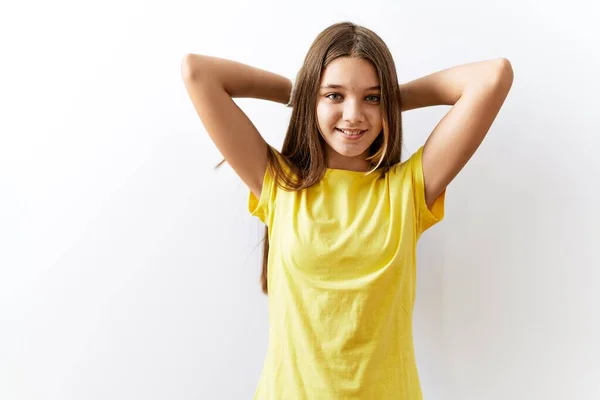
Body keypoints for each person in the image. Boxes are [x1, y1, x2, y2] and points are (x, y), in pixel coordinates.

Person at [181, 21, 513, 400]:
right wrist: (303, 90)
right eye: (335, 96)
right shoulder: (279, 184)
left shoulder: (407, 190)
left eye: (371, 98)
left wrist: (392, 96)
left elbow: (493, 76)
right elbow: (198, 72)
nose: (354, 115)